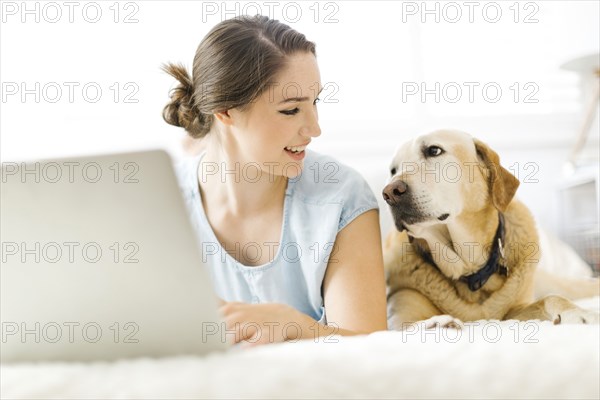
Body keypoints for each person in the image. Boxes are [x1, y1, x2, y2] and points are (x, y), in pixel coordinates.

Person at [163, 15, 386, 346]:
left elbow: (373, 349)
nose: (314, 128)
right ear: (225, 111)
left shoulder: (342, 197)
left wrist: (294, 325)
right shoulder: (164, 201)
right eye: (291, 110)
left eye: (315, 102)